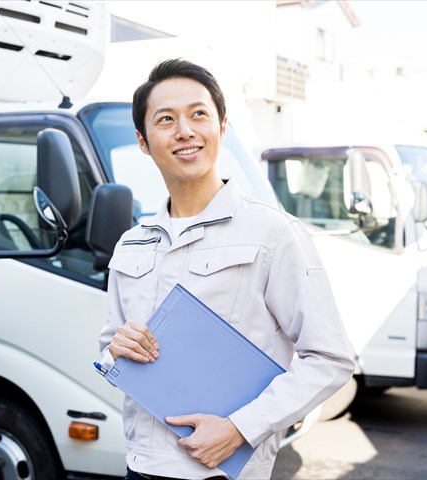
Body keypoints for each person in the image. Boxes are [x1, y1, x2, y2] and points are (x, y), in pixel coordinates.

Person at [97, 58, 355, 480]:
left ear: (222, 128)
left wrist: (241, 428)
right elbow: (108, 350)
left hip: (221, 473)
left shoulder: (272, 233)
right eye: (166, 119)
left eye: (199, 114)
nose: (185, 130)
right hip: (139, 468)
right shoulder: (133, 242)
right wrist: (117, 350)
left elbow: (330, 358)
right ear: (143, 142)